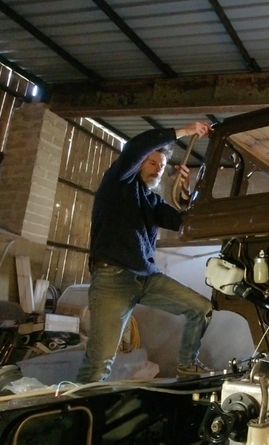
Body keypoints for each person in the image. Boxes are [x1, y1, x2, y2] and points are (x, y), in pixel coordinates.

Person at [76, 122, 214, 383]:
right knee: (99, 362)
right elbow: (137, 146)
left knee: (201, 308)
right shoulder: (118, 182)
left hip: (146, 278)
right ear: (138, 163)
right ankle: (81, 416)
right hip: (113, 279)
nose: (158, 168)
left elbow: (183, 223)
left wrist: (185, 192)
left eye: (161, 165)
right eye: (152, 162)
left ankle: (187, 365)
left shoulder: (152, 201)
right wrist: (185, 131)